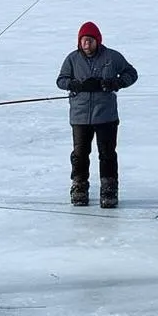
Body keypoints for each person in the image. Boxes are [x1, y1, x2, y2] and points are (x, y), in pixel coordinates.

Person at [55, 21, 138, 208]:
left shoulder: (112, 57)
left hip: (106, 115)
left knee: (107, 153)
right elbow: (61, 80)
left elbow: (131, 73)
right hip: (80, 115)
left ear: (97, 41)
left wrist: (115, 83)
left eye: (90, 41)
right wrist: (73, 84)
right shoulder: (72, 59)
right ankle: (79, 186)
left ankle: (109, 188)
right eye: (84, 41)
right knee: (80, 153)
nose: (87, 45)